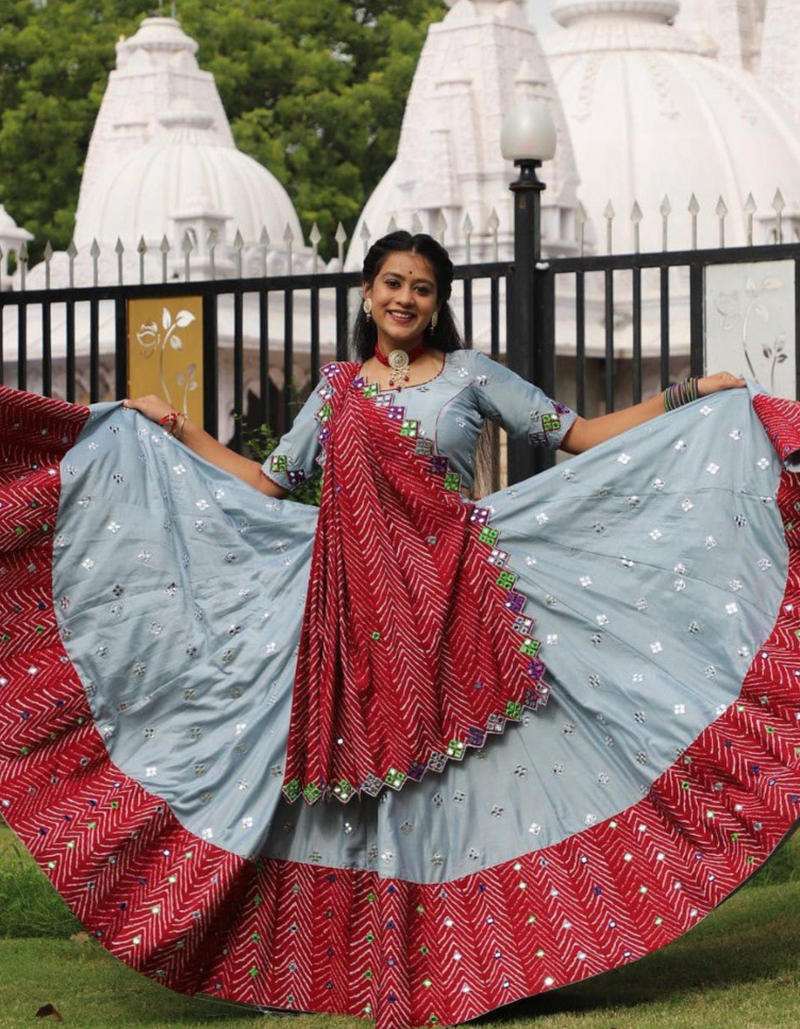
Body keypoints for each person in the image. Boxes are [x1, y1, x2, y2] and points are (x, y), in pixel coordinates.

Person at [1, 230, 798, 1029]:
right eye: (392, 282)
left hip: (460, 592)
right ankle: (389, 967)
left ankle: (478, 963)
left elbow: (578, 436)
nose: (405, 298)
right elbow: (269, 482)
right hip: (359, 611)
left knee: (470, 788)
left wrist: (689, 395)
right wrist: (170, 430)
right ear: (367, 292)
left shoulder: (474, 375)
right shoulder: (339, 390)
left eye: (421, 286)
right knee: (378, 790)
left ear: (438, 301)